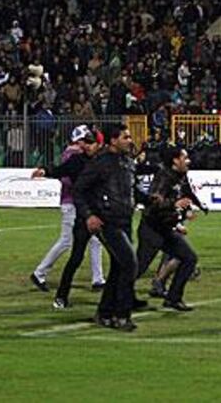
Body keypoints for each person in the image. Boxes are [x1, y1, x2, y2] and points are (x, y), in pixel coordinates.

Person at [74, 124, 139, 331]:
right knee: (130, 264)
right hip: (107, 221)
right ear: (113, 140)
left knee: (119, 267)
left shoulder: (128, 163)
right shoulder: (100, 163)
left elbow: (132, 189)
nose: (130, 140)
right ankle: (122, 315)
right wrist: (89, 215)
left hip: (125, 220)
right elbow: (78, 190)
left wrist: (153, 200)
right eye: (125, 137)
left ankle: (104, 312)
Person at [30, 126, 104, 293]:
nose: (86, 144)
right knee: (67, 241)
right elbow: (63, 174)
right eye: (86, 140)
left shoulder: (78, 155)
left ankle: (98, 279)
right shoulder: (74, 156)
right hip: (71, 203)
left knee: (94, 241)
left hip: (79, 204)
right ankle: (39, 273)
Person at [136, 146, 204, 311]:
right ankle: (115, 298)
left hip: (165, 229)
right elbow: (153, 203)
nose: (188, 161)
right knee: (137, 268)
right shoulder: (164, 176)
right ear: (175, 160)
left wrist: (178, 219)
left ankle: (173, 298)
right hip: (152, 229)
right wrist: (173, 205)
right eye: (185, 158)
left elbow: (179, 201)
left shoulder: (180, 177)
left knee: (189, 258)